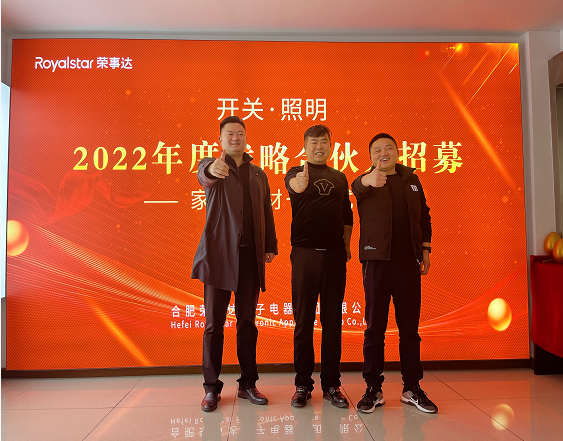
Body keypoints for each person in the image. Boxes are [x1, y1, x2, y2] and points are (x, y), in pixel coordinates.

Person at [192, 116, 278, 412]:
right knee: (213, 325)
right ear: (220, 139)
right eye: (229, 134)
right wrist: (210, 169)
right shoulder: (213, 166)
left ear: (246, 137)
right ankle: (211, 388)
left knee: (247, 324)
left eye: (240, 133)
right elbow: (204, 174)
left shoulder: (258, 174)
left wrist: (270, 244)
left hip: (250, 257)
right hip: (219, 256)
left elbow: (266, 210)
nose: (235, 138)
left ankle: (248, 384)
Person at [351, 133, 438, 414]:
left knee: (409, 330)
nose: (383, 153)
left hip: (408, 263)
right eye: (377, 150)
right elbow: (356, 187)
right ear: (371, 156)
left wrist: (425, 250)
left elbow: (424, 215)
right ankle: (373, 389)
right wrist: (368, 179)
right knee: (374, 329)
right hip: (376, 262)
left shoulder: (411, 180)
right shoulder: (366, 181)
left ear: (398, 153)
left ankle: (412, 388)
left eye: (388, 148)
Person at [284, 124, 353, 408]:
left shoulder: (340, 177)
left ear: (331, 146)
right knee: (303, 321)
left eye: (324, 141)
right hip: (305, 255)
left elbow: (347, 215)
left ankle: (332, 384)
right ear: (305, 146)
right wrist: (297, 183)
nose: (319, 146)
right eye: (313, 142)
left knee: (332, 322)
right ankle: (302, 384)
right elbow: (292, 185)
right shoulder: (295, 172)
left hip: (335, 255)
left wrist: (347, 245)